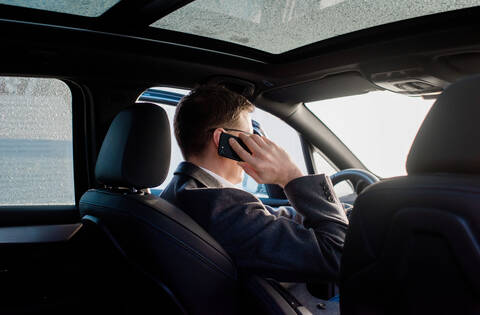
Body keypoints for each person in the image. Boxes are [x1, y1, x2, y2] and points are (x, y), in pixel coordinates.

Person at [161, 85, 349, 282]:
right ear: (222, 140)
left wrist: (342, 211)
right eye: (249, 136)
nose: (255, 145)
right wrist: (290, 175)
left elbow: (266, 220)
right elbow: (337, 256)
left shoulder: (184, 191)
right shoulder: (220, 207)